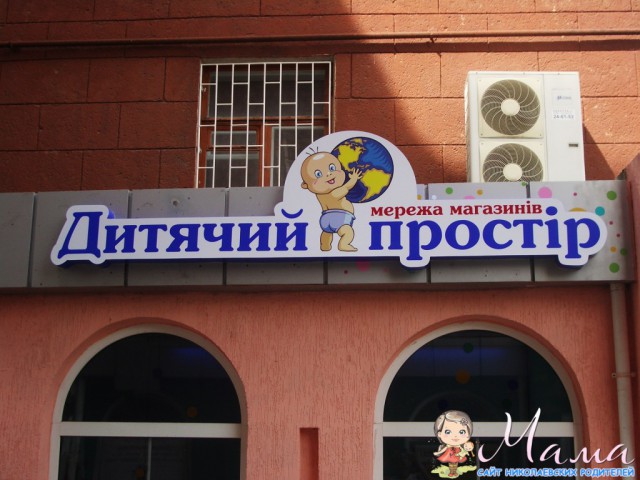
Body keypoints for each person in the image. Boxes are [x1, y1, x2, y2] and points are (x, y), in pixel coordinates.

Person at [300, 151, 362, 252]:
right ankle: (344, 244)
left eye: (332, 168)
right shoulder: (334, 194)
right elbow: (347, 187)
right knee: (347, 232)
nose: (329, 174)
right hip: (340, 217)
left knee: (327, 233)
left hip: (325, 218)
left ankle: (325, 245)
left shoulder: (319, 195)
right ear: (306, 185)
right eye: (318, 174)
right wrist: (354, 178)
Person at [433, 410, 475, 478]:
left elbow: (465, 449)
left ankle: (454, 472)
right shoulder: (448, 446)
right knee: (451, 464)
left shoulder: (460, 446)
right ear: (440, 434)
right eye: (448, 432)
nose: (455, 436)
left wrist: (469, 448)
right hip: (449, 455)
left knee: (455, 464)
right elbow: (443, 450)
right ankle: (451, 472)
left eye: (461, 432)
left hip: (457, 456)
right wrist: (438, 453)